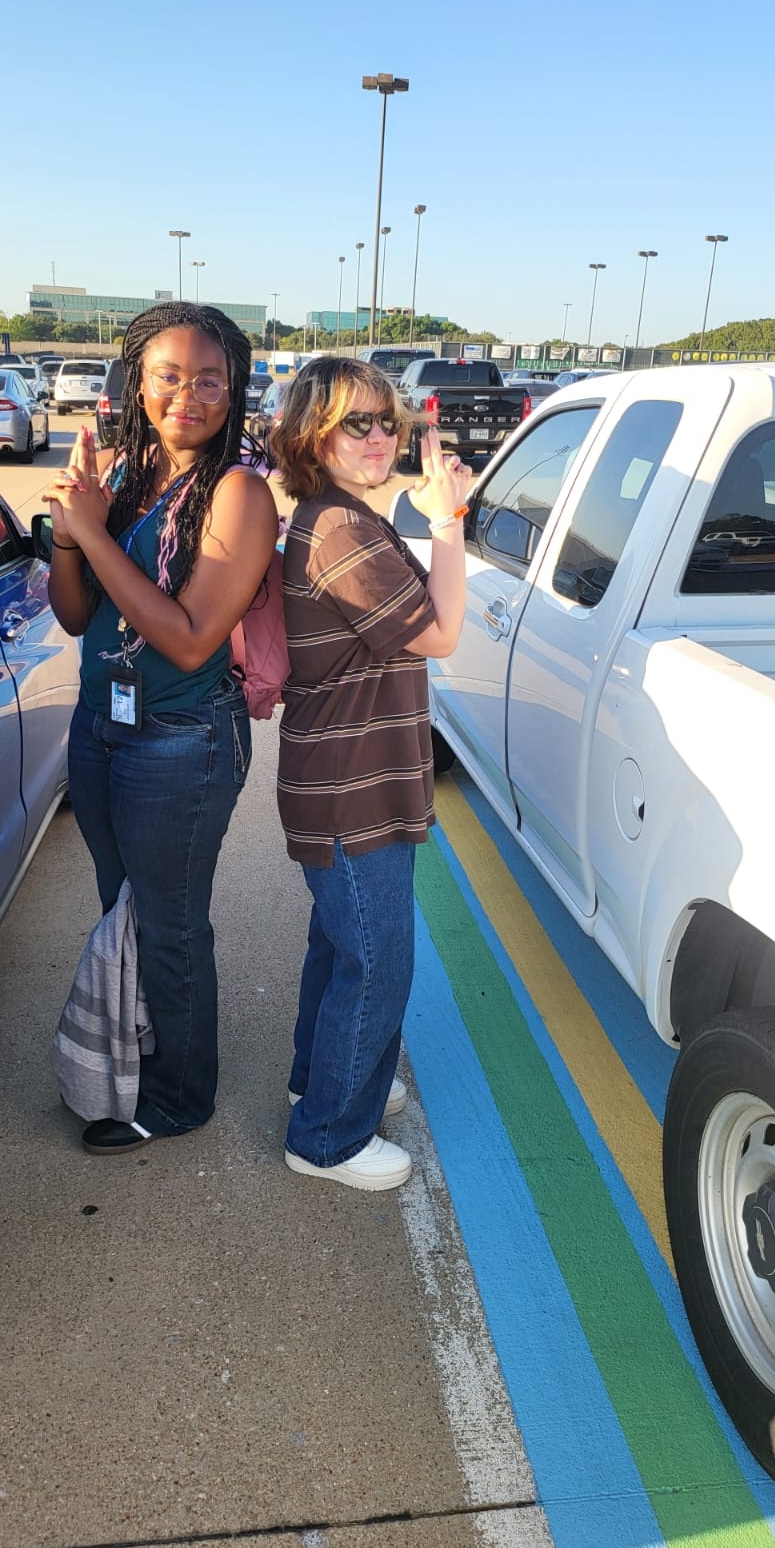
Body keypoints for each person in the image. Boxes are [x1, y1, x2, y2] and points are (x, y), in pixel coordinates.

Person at [42, 302, 278, 1154]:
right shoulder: (132, 478)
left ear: (235, 391)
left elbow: (185, 640)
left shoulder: (239, 493)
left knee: (172, 924)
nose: (189, 394)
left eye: (210, 379)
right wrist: (73, 535)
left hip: (181, 742)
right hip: (101, 726)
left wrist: (93, 534)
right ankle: (137, 1045)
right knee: (124, 907)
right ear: (137, 384)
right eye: (169, 376)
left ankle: (182, 1095)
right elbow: (75, 618)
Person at [271, 358, 470, 1191]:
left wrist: (424, 517)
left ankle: (320, 1079)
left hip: (353, 776)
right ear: (314, 434)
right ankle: (326, 1138)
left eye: (386, 420)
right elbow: (439, 633)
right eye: (357, 423)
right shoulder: (341, 530)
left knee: (341, 944)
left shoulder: (351, 518)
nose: (379, 436)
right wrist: (450, 522)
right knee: (379, 958)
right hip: (351, 783)